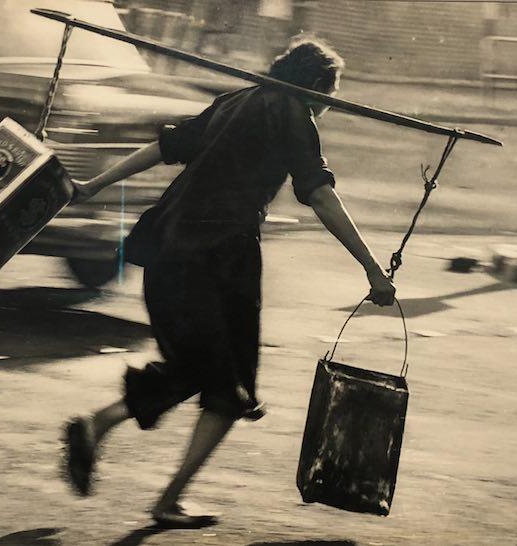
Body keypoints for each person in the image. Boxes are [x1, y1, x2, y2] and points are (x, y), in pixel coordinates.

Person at [62, 37, 396, 529]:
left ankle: (99, 428)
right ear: (319, 89)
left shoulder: (233, 102)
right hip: (216, 263)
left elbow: (162, 148)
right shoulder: (292, 115)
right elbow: (320, 196)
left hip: (168, 254)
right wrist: (371, 268)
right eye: (330, 94)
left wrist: (94, 185)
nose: (328, 106)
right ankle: (165, 498)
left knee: (202, 371)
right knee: (226, 391)